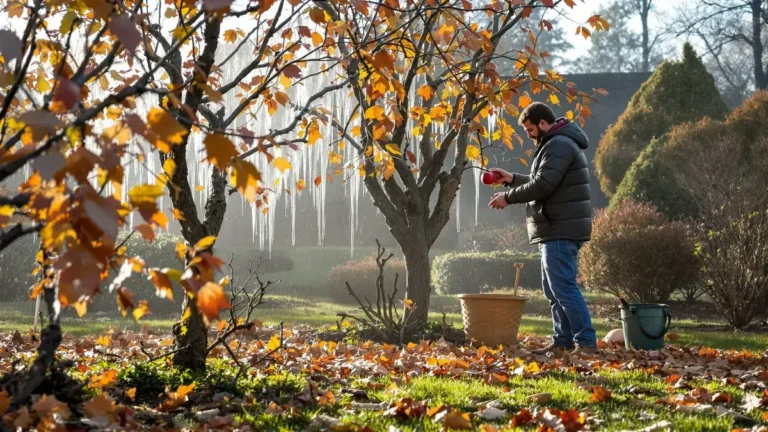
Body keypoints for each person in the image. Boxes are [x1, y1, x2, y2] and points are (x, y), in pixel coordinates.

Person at [488, 102, 597, 356]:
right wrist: (512, 179)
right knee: (554, 291)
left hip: (560, 227)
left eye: (530, 129)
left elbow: (543, 186)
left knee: (564, 289)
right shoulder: (557, 143)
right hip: (554, 227)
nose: (529, 135)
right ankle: (563, 341)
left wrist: (508, 197)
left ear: (543, 124)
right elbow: (546, 181)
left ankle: (586, 343)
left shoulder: (558, 144)